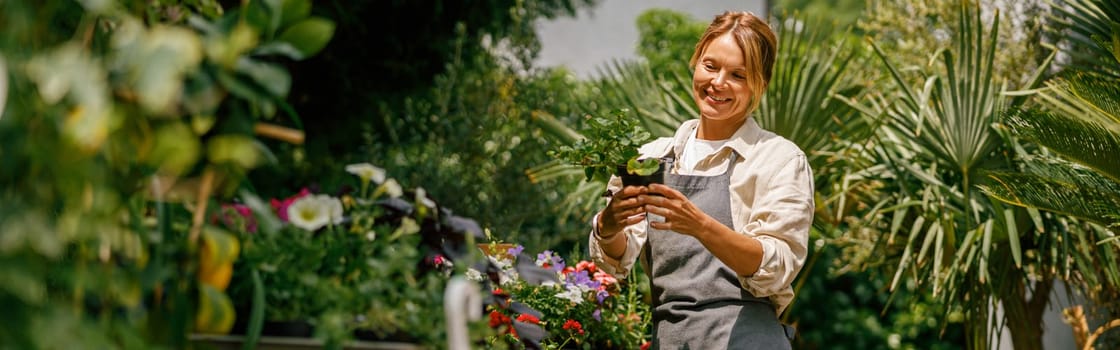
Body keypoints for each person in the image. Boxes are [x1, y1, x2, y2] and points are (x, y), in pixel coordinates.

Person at [588, 11, 813, 349]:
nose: (718, 83)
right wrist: (610, 224)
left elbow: (776, 266)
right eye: (711, 66)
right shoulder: (651, 158)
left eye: (738, 74)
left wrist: (700, 225)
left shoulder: (778, 159)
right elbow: (614, 265)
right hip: (671, 339)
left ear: (760, 85)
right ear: (695, 62)